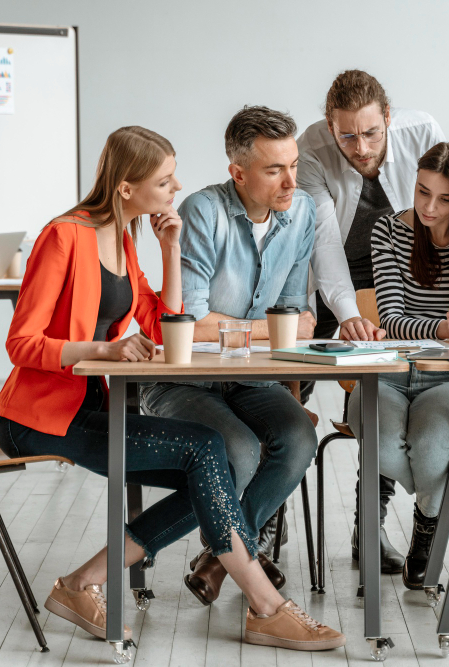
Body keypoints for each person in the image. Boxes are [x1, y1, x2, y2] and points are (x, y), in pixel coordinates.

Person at [0, 126, 343, 651]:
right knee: (206, 448)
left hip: (94, 409)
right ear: (127, 188)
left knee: (212, 465)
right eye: (165, 178)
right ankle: (266, 605)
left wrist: (170, 249)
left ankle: (81, 583)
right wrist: (103, 351)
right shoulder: (64, 235)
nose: (177, 186)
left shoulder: (125, 238)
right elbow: (20, 343)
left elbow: (164, 323)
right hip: (38, 418)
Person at [139, 107, 319, 604]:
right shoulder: (203, 211)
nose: (290, 181)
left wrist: (267, 329)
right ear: (237, 172)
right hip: (184, 381)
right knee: (237, 448)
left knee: (299, 435)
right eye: (274, 169)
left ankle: (222, 555)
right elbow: (192, 324)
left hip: (250, 377)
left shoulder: (301, 211)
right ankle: (242, 556)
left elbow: (300, 316)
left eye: (294, 165)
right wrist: (271, 330)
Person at [346, 142, 449, 589]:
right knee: (381, 448)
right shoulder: (388, 230)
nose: (428, 207)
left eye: (444, 199)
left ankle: (426, 534)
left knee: (428, 446)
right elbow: (394, 318)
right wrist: (441, 328)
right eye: (423, 192)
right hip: (385, 373)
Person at [296, 70, 446, 572]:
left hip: (402, 272)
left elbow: (445, 211)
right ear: (329, 125)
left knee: (385, 391)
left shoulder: (421, 131)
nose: (360, 148)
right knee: (286, 385)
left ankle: (369, 528)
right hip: (331, 273)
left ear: (388, 118)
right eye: (347, 136)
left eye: (370, 133)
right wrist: (348, 316)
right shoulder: (312, 149)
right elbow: (324, 243)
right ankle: (264, 522)